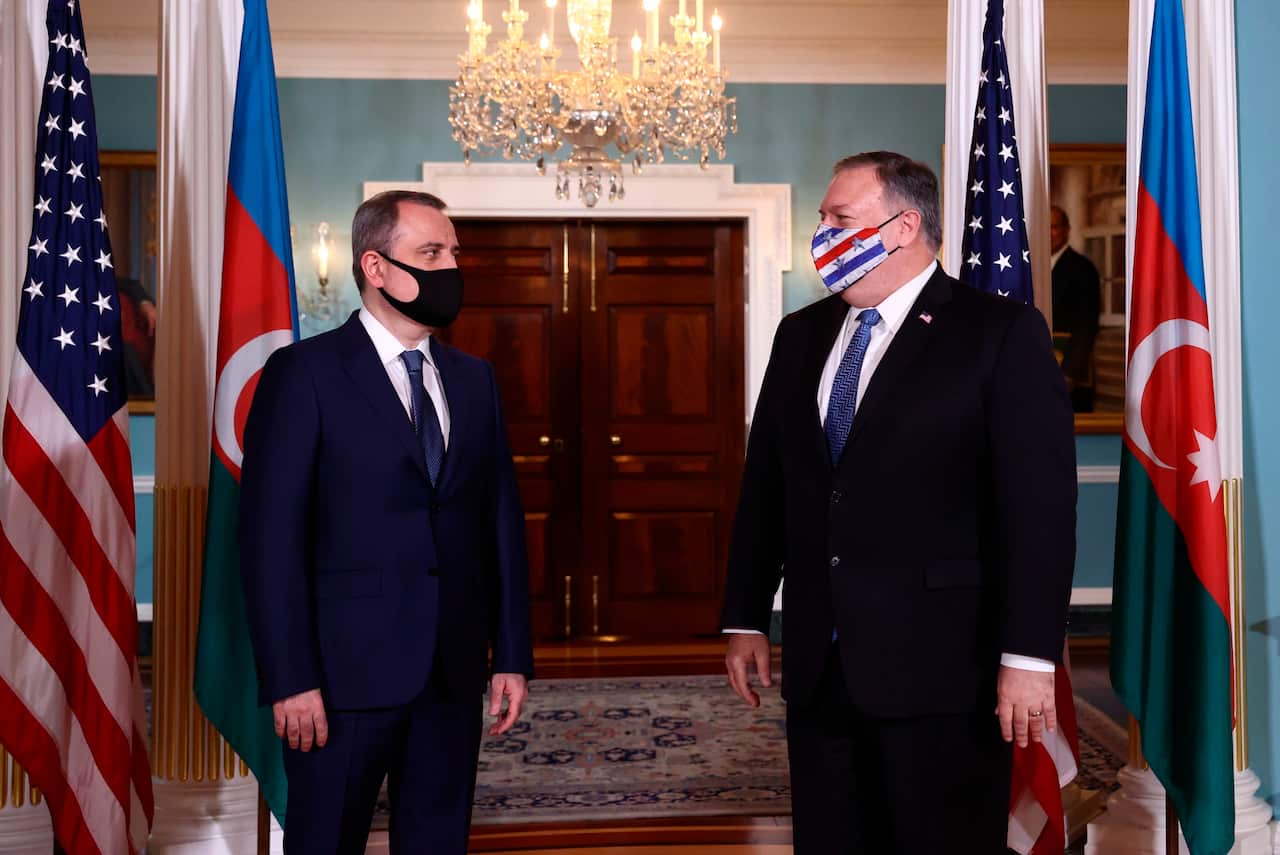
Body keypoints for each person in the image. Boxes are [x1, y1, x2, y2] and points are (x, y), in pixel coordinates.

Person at [720, 152, 1077, 854]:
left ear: (904, 225)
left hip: (945, 667)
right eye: (823, 217)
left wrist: (1031, 656)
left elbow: (1039, 509)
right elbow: (768, 483)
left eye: (837, 218)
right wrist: (744, 614)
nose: (820, 230)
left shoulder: (998, 333)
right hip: (821, 668)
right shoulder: (801, 334)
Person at [238, 190, 534, 854]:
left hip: (451, 674)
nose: (451, 266)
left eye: (454, 251)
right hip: (339, 682)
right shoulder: (302, 374)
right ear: (375, 267)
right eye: (431, 252)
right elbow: (269, 540)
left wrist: (511, 654)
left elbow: (500, 523)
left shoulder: (474, 379)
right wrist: (290, 675)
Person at [1049, 205, 1102, 412]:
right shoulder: (1033, 266)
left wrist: (1070, 373)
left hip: (1071, 373)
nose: (1049, 234)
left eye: (1054, 227)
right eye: (1046, 227)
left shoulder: (1083, 269)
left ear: (1066, 230)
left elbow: (1087, 325)